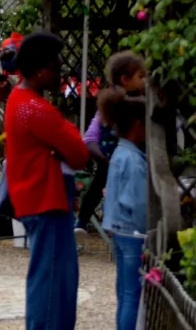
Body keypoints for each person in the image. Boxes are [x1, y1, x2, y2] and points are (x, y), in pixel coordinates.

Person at [5, 32, 89, 330]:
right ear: (41, 70)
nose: (60, 72)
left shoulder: (20, 99)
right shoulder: (37, 109)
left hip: (36, 198)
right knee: (55, 281)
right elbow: (79, 153)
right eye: (55, 66)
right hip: (46, 199)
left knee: (49, 276)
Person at [75, 51, 146, 240]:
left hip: (117, 155)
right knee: (102, 186)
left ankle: (86, 220)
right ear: (125, 79)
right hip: (117, 155)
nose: (144, 81)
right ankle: (85, 220)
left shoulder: (118, 97)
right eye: (141, 76)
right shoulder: (121, 101)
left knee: (102, 187)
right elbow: (91, 137)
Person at [99, 87, 147, 330]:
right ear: (138, 124)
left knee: (123, 293)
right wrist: (148, 230)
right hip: (132, 232)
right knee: (132, 295)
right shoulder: (135, 160)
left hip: (116, 229)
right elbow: (138, 204)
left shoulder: (119, 152)